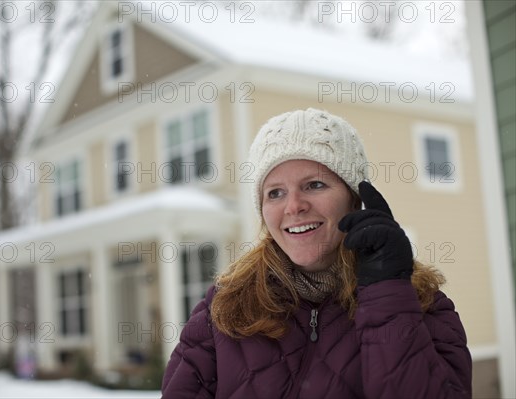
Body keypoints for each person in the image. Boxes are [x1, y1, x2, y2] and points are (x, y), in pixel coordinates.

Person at [161, 108, 472, 398]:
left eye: (314, 185)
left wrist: (387, 293)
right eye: (275, 193)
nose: (294, 206)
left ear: (355, 199)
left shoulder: (420, 304)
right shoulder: (223, 308)